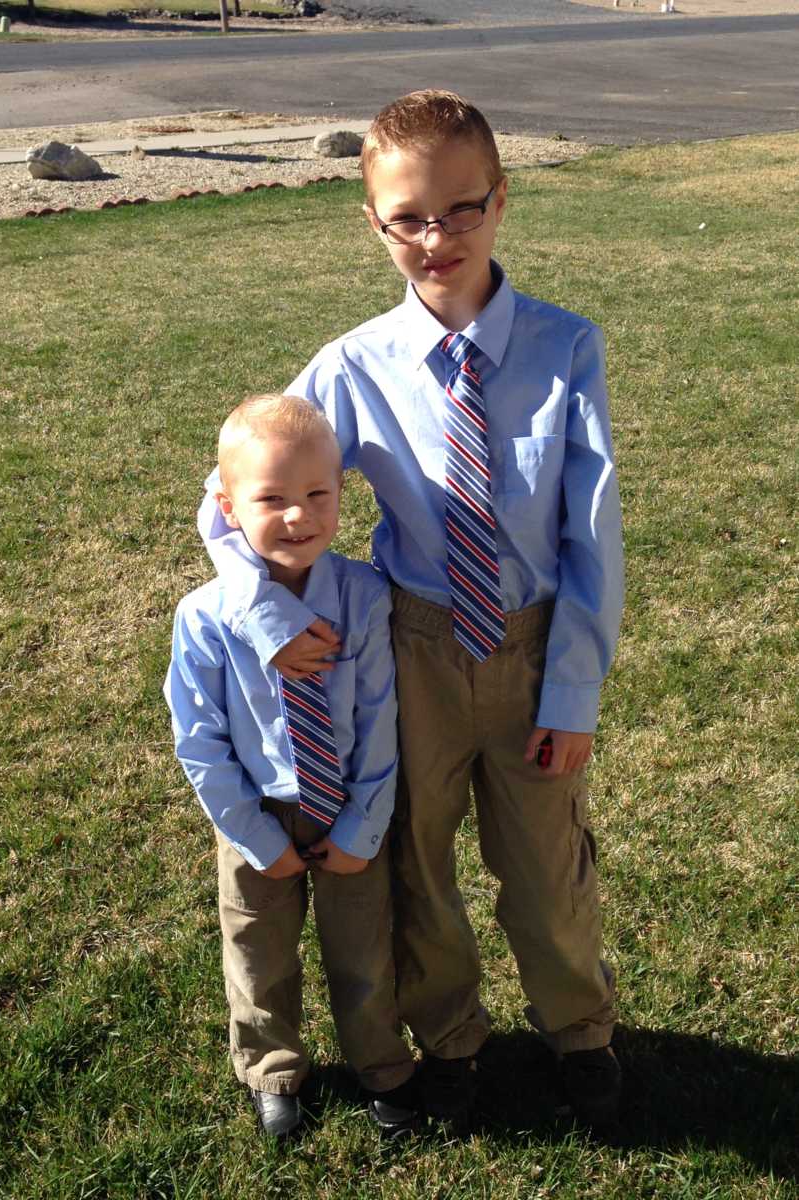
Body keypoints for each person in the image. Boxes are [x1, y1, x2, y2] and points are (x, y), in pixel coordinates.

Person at [197, 91, 625, 1132]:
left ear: (502, 200)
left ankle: (581, 1032)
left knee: (545, 866)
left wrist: (570, 690)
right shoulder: (351, 368)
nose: (438, 239)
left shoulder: (568, 351)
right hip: (413, 647)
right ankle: (454, 1040)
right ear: (374, 221)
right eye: (409, 219)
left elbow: (591, 535)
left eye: (463, 210)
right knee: (417, 862)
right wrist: (265, 616)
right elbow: (228, 500)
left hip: (528, 650)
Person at [164, 394, 418, 1142]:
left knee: (365, 948)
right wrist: (256, 838)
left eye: (318, 496)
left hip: (348, 808)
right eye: (271, 499)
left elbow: (381, 717)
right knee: (257, 948)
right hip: (257, 813)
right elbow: (199, 740)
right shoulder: (204, 615)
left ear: (343, 494)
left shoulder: (364, 597)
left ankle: (380, 1064)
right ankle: (275, 1069)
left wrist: (363, 824)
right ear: (227, 504)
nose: (299, 517)